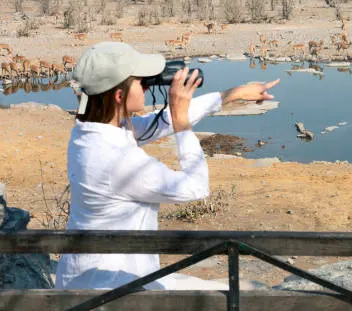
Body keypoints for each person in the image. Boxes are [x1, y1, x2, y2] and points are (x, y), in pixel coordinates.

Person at [55, 42, 279, 290]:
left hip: (87, 278)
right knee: (242, 294)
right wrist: (183, 124)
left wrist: (231, 95)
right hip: (114, 291)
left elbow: (159, 123)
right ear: (119, 96)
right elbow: (196, 188)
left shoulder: (89, 132)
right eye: (142, 82)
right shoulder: (118, 160)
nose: (148, 85)